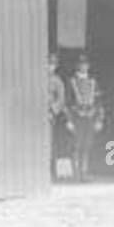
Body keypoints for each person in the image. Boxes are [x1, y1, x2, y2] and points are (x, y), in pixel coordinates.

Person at [67, 53, 105, 183]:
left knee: (87, 145)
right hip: (76, 118)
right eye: (81, 64)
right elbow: (67, 103)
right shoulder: (71, 82)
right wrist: (69, 120)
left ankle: (84, 173)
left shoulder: (93, 82)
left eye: (86, 64)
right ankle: (75, 175)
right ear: (77, 66)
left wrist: (99, 119)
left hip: (90, 117)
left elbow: (99, 102)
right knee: (76, 145)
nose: (84, 67)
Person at [47, 53, 70, 181]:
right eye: (48, 64)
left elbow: (61, 99)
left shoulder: (57, 81)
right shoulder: (36, 77)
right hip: (33, 114)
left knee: (49, 144)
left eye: (52, 65)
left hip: (48, 115)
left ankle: (50, 172)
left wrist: (52, 110)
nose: (49, 67)